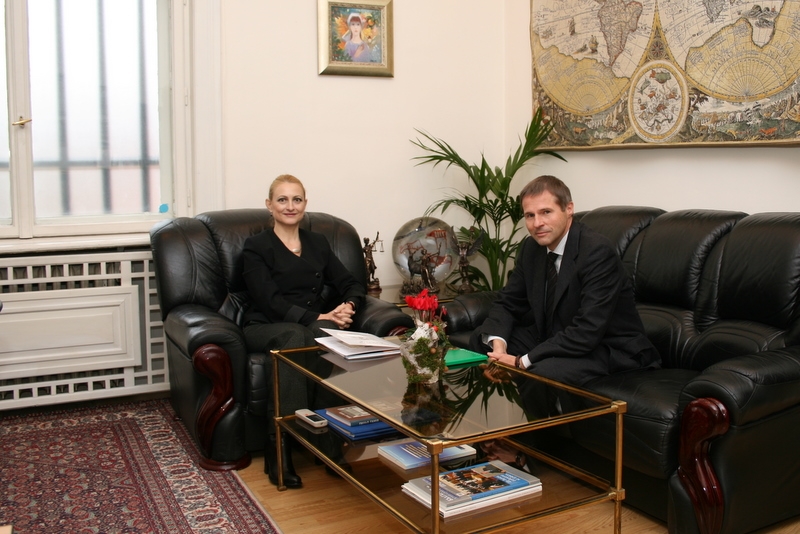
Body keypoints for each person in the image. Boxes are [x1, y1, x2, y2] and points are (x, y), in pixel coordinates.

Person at [469, 175, 660, 416]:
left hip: (607, 346)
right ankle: (498, 427)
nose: (537, 223)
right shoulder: (531, 248)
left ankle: (534, 448)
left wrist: (520, 362)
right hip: (556, 334)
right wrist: (499, 349)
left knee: (540, 373)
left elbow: (588, 330)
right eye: (530, 215)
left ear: (569, 209)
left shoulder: (596, 252)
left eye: (546, 212)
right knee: (481, 339)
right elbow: (508, 302)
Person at [242, 174, 366, 488]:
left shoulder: (317, 243)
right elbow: (268, 302)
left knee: (326, 334)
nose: (290, 206)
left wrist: (348, 305)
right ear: (269, 205)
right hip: (264, 326)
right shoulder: (256, 246)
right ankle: (279, 446)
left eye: (296, 199)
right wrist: (322, 314)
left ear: (305, 204)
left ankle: (327, 443)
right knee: (299, 336)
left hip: (310, 324)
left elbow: (350, 281)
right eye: (282, 199)